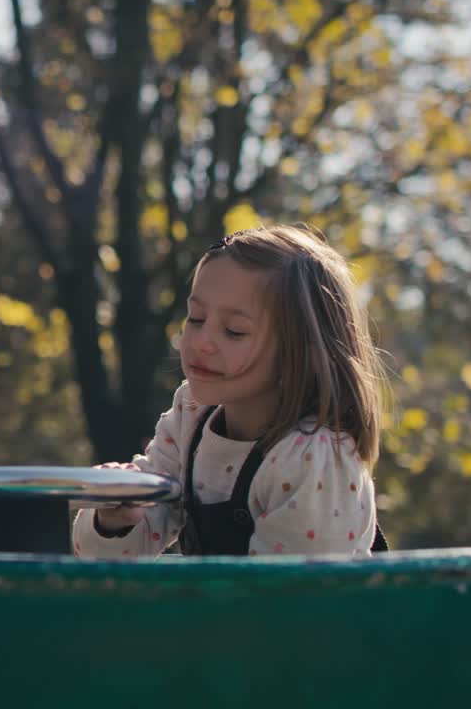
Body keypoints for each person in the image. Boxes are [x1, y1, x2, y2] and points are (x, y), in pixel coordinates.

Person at [73, 225, 387, 558]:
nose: (201, 342)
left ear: (302, 354)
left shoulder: (314, 457)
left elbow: (289, 600)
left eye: (234, 331)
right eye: (195, 318)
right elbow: (111, 559)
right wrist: (117, 518)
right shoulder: (190, 415)